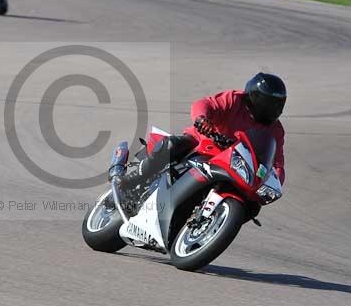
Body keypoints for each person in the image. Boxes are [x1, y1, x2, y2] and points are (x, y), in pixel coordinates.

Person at [115, 73, 287, 215]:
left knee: (252, 206)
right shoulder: (235, 100)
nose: (272, 109)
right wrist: (202, 119)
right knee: (172, 145)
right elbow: (205, 104)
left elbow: (277, 161)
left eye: (277, 104)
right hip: (203, 143)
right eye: (268, 103)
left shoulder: (275, 129)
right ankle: (130, 181)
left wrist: (275, 181)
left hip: (235, 165)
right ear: (254, 97)